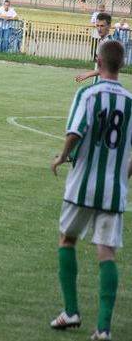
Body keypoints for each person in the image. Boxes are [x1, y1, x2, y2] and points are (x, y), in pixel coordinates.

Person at [50, 40, 128, 341]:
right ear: (121, 64)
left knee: (67, 239)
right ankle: (103, 329)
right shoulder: (131, 101)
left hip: (83, 183)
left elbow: (75, 131)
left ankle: (71, 311)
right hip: (113, 188)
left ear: (98, 62)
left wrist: (61, 156)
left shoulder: (88, 93)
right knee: (106, 252)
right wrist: (123, 178)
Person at [75, 13, 114, 84]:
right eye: (97, 25)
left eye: (102, 26)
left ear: (109, 26)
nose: (99, 29)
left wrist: (88, 74)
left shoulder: (109, 43)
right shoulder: (103, 40)